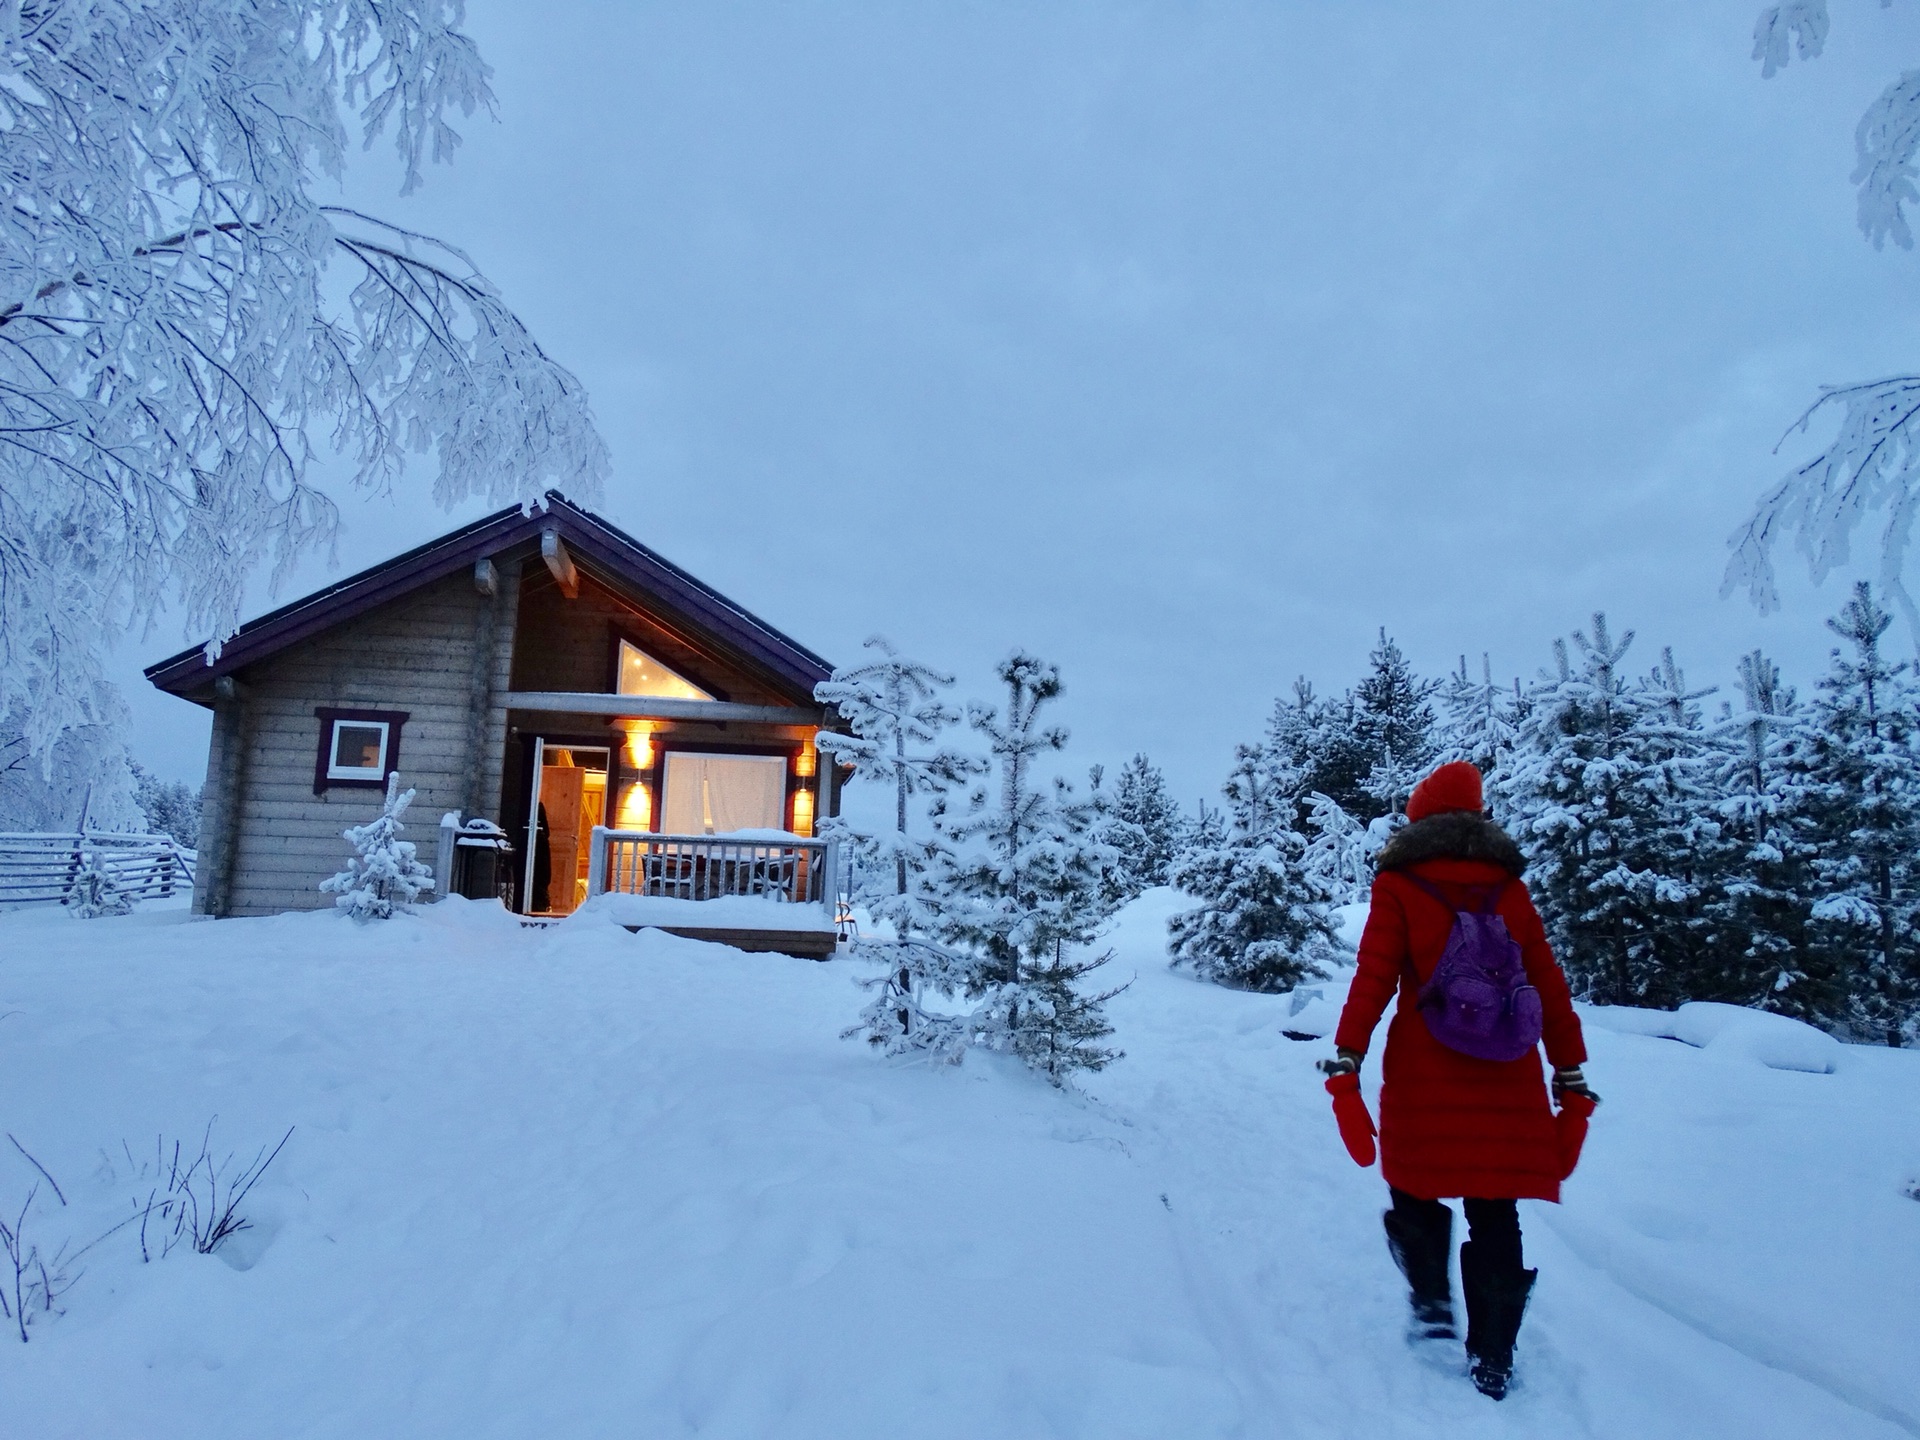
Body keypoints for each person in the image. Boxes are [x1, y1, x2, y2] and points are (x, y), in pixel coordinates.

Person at [1319, 760, 1598, 1400]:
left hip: (1425, 1073)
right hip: (1508, 1072)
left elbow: (1374, 978)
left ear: (1418, 820)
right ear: (1477, 820)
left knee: (1414, 1188)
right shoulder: (1509, 888)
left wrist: (1347, 1054)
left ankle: (1432, 1302)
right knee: (1494, 1207)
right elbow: (1550, 986)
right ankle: (1494, 1356)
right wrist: (1570, 1067)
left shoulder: (1399, 884)